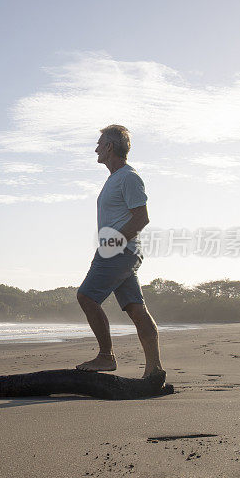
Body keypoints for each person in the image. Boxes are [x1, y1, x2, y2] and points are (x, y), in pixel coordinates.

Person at [75, 125, 164, 379]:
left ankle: (106, 356)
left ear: (110, 147)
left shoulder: (128, 177)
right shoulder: (115, 178)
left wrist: (112, 245)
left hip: (118, 251)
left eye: (99, 143)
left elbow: (141, 218)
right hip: (121, 251)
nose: (96, 148)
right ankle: (154, 369)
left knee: (87, 296)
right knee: (137, 309)